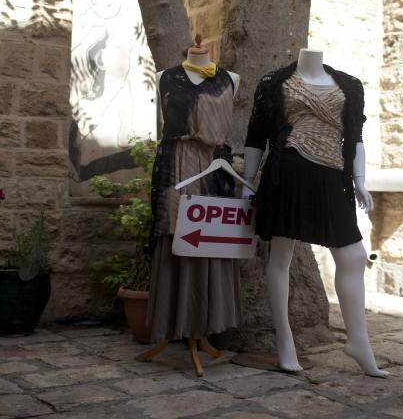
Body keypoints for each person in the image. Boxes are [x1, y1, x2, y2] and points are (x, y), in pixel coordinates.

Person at [242, 48, 387, 377]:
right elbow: (256, 137)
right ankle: (285, 340)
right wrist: (247, 182)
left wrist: (360, 180)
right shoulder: (274, 83)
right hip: (288, 172)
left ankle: (358, 341)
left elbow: (356, 137)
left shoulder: (349, 85)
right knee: (281, 256)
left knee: (352, 255)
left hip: (333, 176)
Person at [146, 38, 243, 343]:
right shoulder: (165, 77)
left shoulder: (231, 80)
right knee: (176, 235)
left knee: (211, 238)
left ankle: (207, 323)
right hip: (175, 164)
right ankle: (174, 323)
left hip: (215, 170)